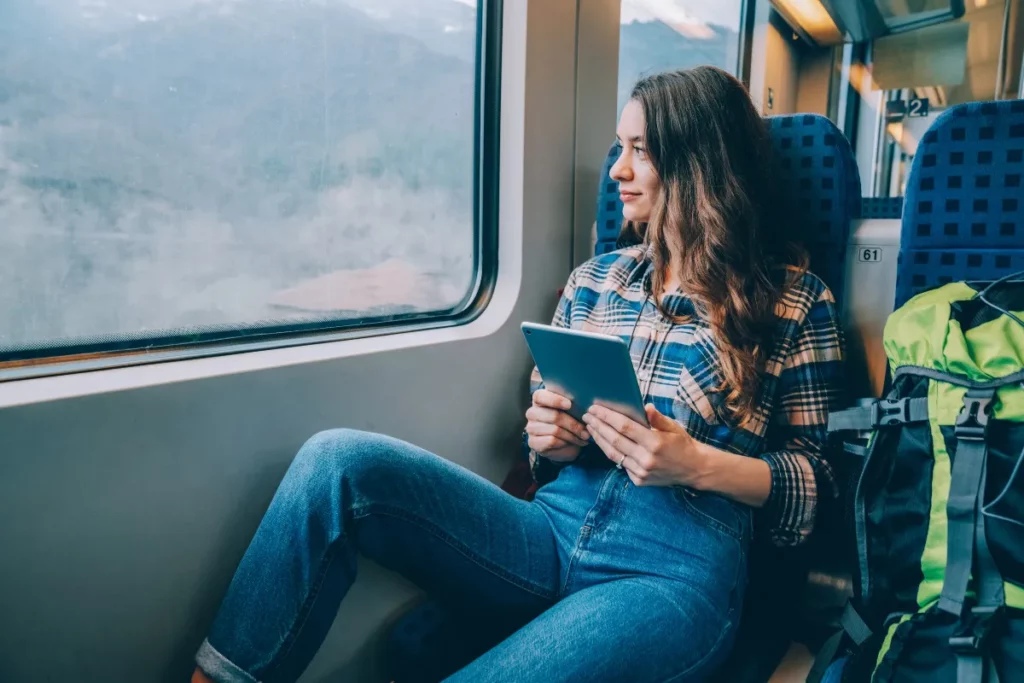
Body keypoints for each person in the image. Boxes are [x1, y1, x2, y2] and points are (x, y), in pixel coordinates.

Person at [192, 65, 845, 683]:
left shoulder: (794, 301)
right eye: (618, 148)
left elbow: (815, 487)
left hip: (670, 571)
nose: (616, 170)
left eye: (640, 151)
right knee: (336, 461)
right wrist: (547, 439)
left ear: (699, 164)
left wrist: (696, 464)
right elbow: (544, 454)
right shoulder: (594, 282)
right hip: (548, 529)